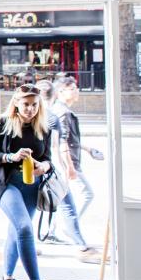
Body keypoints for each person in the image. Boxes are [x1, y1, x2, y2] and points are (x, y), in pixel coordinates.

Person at [0, 83, 53, 280]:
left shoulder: (44, 127)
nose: (30, 109)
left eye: (34, 105)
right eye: (26, 104)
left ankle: (7, 274)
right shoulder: (1, 123)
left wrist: (44, 166)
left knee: (16, 228)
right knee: (24, 227)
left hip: (33, 186)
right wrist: (11, 157)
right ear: (15, 103)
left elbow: (49, 159)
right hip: (7, 184)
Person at [35, 81, 101, 263]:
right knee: (68, 206)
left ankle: (33, 242)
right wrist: (68, 168)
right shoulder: (53, 116)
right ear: (56, 93)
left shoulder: (36, 116)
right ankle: (80, 246)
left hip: (38, 169)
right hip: (51, 170)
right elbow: (61, 145)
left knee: (34, 208)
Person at [52, 77, 101, 220]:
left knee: (60, 195)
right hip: (66, 161)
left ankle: (53, 229)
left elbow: (68, 139)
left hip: (62, 161)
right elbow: (63, 140)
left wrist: (87, 149)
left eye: (76, 88)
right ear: (61, 91)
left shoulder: (60, 109)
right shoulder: (63, 112)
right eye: (72, 89)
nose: (76, 91)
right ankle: (70, 225)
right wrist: (70, 167)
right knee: (86, 194)